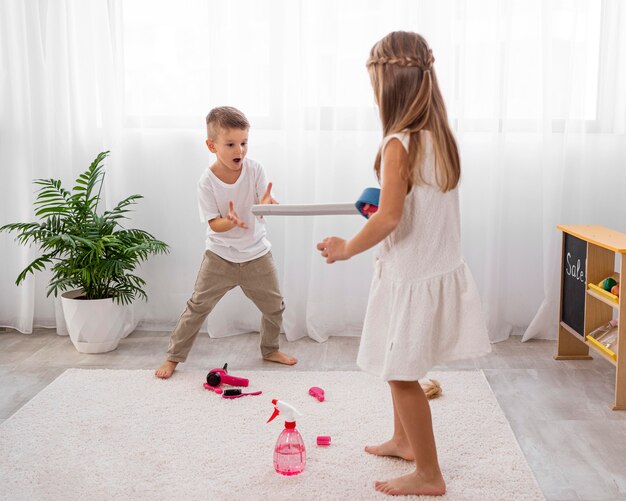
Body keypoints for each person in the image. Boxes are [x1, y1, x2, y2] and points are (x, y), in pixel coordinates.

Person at [316, 32, 491, 496]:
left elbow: (391, 217)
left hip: (412, 276)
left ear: (387, 84)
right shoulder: (439, 139)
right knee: (401, 362)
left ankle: (430, 474)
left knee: (400, 373)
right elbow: (415, 206)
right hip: (430, 270)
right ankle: (402, 441)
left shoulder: (398, 144)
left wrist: (346, 246)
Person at [156, 106, 297, 379]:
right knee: (197, 307)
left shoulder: (255, 169)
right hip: (220, 257)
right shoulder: (206, 182)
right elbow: (214, 225)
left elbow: (261, 206)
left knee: (274, 307)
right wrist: (230, 220)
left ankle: (270, 350)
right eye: (231, 144)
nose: (240, 151)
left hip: (256, 254)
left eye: (244, 143)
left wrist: (266, 204)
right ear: (211, 146)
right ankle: (173, 357)